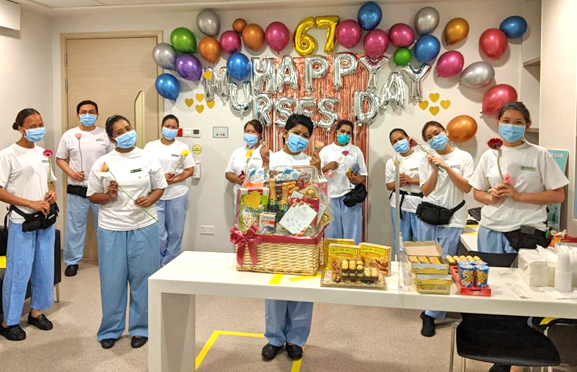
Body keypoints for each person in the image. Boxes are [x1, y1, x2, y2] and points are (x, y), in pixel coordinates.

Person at [87, 115, 167, 349]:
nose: (126, 133)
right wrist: (109, 195)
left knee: (143, 279)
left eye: (128, 128)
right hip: (111, 228)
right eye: (120, 132)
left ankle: (141, 328)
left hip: (144, 227)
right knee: (112, 281)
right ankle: (110, 330)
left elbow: (160, 187)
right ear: (112, 139)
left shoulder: (148, 158)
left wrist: (149, 199)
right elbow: (92, 195)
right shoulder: (102, 163)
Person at [258, 114, 320, 362]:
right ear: (284, 133)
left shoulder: (310, 161)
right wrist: (263, 166)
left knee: (302, 284)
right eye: (296, 133)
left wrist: (316, 170)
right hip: (273, 227)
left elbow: (320, 197)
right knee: (275, 282)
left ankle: (296, 339)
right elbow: (255, 191)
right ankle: (274, 337)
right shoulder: (271, 158)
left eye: (305, 136)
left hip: (303, 228)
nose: (300, 139)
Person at [470, 102, 568, 255]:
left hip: (526, 233)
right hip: (490, 229)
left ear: (527, 126)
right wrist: (491, 197)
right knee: (490, 277)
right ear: (498, 122)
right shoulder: (490, 155)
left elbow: (558, 195)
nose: (511, 126)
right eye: (506, 121)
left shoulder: (539, 154)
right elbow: (477, 193)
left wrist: (520, 196)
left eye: (518, 122)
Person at [0, 109, 58, 341]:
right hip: (21, 220)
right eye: (33, 125)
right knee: (18, 270)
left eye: (41, 124)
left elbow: (49, 182)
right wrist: (29, 202)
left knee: (45, 266)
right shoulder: (7, 155)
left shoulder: (43, 153)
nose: (38, 128)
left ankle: (36, 312)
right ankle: (9, 321)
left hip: (45, 218)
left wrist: (51, 195)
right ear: (20, 128)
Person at [417, 121, 474, 337]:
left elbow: (467, 187)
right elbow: (426, 191)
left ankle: (431, 314)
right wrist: (434, 169)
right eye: (429, 137)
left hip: (454, 217)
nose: (434, 138)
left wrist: (447, 166)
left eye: (436, 133)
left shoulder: (464, 157)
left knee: (446, 265)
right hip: (430, 216)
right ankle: (429, 307)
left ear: (446, 132)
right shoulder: (425, 160)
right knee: (428, 265)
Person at [56, 100, 112, 277]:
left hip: (99, 189)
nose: (87, 115)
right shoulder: (69, 135)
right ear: (77, 114)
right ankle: (72, 261)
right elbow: (60, 159)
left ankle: (107, 260)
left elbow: (113, 159)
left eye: (91, 111)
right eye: (83, 112)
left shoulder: (104, 135)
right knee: (75, 227)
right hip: (77, 188)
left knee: (103, 225)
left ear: (97, 114)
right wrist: (71, 173)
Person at [144, 115, 194, 266]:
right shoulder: (150, 146)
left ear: (177, 130)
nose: (170, 129)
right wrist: (161, 177)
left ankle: (169, 264)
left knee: (176, 232)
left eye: (173, 127)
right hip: (156, 194)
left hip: (177, 193)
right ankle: (158, 262)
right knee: (158, 233)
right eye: (168, 126)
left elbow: (190, 169)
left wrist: (175, 179)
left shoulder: (182, 148)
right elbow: (145, 169)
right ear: (161, 127)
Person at [319, 120, 367, 244]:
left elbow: (362, 177)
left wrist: (353, 179)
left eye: (348, 133)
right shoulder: (325, 151)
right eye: (342, 131)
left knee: (352, 234)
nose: (345, 134)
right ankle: (333, 262)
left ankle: (352, 261)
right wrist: (325, 167)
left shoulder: (356, 151)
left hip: (350, 198)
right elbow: (315, 174)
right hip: (330, 198)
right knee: (332, 235)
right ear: (336, 132)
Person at [385, 128, 425, 252]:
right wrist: (399, 181)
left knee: (420, 240)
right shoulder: (392, 161)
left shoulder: (422, 157)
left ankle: (419, 268)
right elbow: (388, 185)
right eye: (394, 141)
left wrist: (411, 180)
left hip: (419, 204)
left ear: (408, 139)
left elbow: (431, 181)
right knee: (400, 240)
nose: (398, 142)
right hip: (398, 205)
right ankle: (399, 267)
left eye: (401, 139)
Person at [225, 119, 265, 212]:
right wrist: (237, 179)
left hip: (257, 195)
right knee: (239, 222)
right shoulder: (237, 152)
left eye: (253, 132)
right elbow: (228, 173)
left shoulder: (264, 152)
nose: (250, 134)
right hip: (239, 194)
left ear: (260, 135)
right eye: (247, 131)